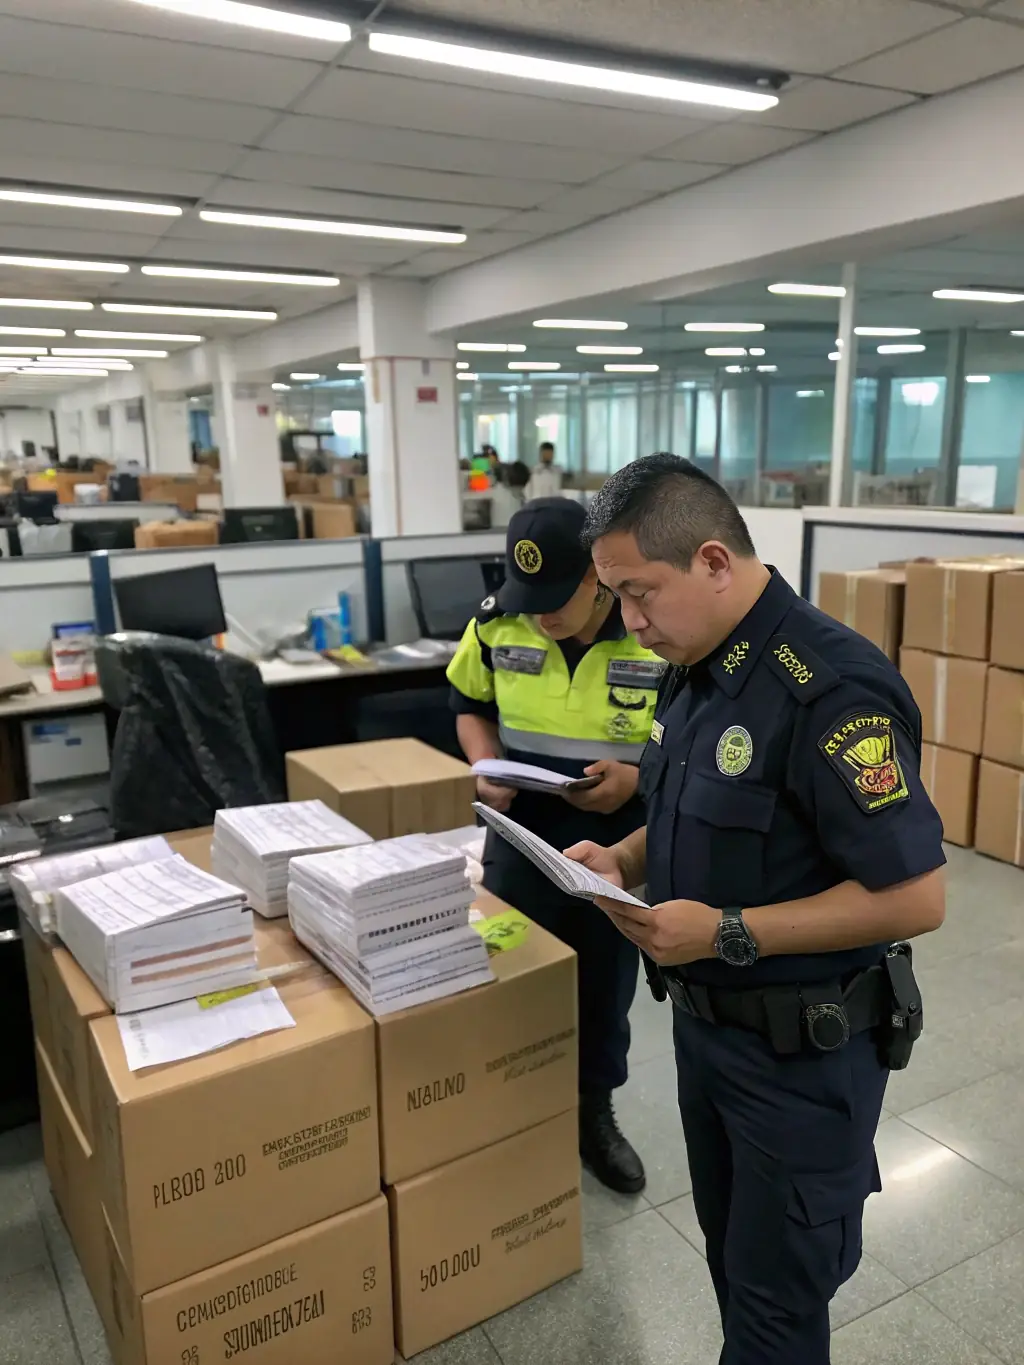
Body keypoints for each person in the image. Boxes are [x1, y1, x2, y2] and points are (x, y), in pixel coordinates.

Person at [567, 453, 945, 1364]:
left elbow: (917, 895)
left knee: (777, 1310)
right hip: (707, 1037)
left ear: (711, 560)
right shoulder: (693, 664)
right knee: (735, 1273)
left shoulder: (829, 688)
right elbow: (690, 808)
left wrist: (729, 931)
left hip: (799, 1060)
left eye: (640, 592)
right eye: (615, 596)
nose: (630, 621)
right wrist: (622, 857)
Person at [447, 496, 666, 1193]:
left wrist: (633, 778)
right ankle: (516, 1100)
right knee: (510, 961)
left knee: (602, 976)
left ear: (597, 576)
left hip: (613, 829)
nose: (540, 613)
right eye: (526, 593)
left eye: (556, 596)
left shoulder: (651, 633)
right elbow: (468, 703)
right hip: (519, 825)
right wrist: (484, 767)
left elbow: (690, 744)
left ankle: (592, 1113)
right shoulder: (494, 623)